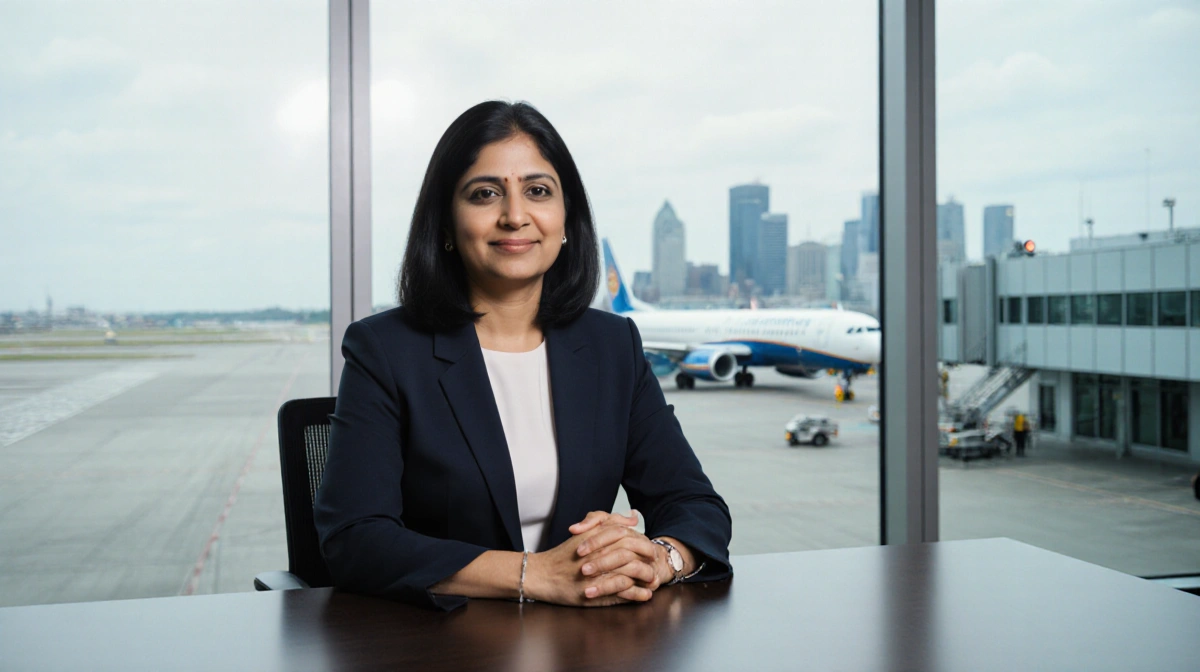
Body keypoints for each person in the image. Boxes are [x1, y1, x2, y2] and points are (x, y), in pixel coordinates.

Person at [313, 101, 732, 611]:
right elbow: (355, 538)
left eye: (538, 191)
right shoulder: (385, 350)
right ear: (445, 224)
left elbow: (694, 504)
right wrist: (535, 574)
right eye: (485, 194)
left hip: (585, 638)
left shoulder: (611, 345)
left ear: (565, 219)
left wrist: (657, 559)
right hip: (440, 640)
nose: (515, 216)